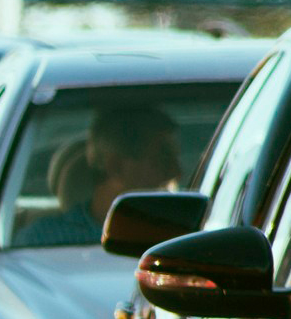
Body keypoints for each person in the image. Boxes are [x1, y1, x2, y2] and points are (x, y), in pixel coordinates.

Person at [15, 105, 183, 248]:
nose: (177, 172)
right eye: (162, 160)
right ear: (116, 166)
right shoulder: (42, 240)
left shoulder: (178, 238)